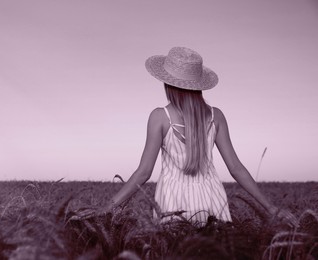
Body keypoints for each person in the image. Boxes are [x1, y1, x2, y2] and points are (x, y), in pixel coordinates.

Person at [80, 47, 298, 227]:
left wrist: (105, 208)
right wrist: (271, 207)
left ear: (168, 84)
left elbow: (143, 173)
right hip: (214, 201)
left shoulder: (159, 117)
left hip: (172, 203)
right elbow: (236, 168)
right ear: (198, 86)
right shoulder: (216, 116)